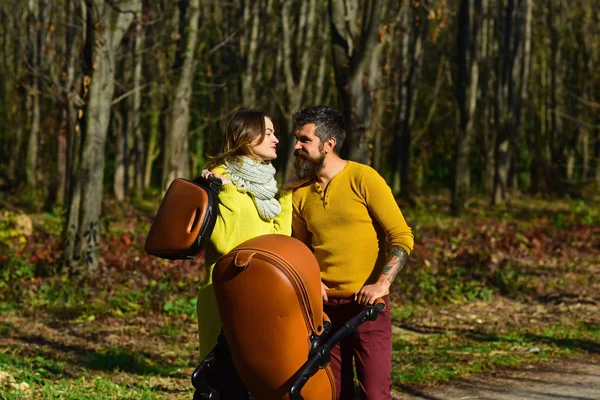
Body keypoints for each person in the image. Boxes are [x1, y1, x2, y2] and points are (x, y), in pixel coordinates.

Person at [290, 105, 414, 400]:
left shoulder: (364, 178)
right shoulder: (300, 194)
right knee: (334, 394)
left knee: (375, 394)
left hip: (367, 308)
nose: (296, 146)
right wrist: (312, 281)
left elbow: (401, 236)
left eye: (304, 140)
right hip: (323, 312)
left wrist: (382, 284)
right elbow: (300, 249)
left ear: (328, 144)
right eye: (297, 139)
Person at [196, 109, 292, 399]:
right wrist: (222, 192)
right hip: (227, 297)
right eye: (269, 132)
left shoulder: (264, 185)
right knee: (221, 387)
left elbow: (278, 239)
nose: (277, 138)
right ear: (248, 136)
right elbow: (226, 245)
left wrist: (288, 199)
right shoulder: (220, 180)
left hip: (257, 297)